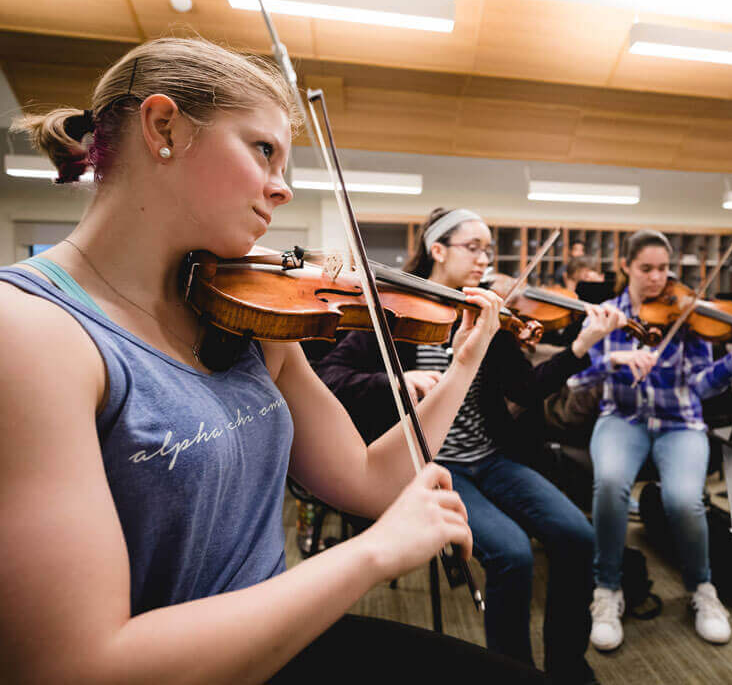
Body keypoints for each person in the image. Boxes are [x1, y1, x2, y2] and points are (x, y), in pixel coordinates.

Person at [0, 37, 549, 685]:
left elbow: (370, 478)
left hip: (284, 638)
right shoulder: (31, 331)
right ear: (163, 126)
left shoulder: (248, 319)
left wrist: (465, 362)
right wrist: (372, 552)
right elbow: (76, 667)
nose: (283, 188)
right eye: (264, 150)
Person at [315, 208, 628, 685]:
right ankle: (514, 672)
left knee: (577, 536)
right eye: (473, 247)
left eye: (489, 249)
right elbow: (332, 376)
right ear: (438, 250)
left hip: (492, 459)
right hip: (434, 466)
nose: (485, 258)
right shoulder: (394, 310)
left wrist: (582, 347)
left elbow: (525, 389)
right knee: (513, 555)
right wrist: (395, 380)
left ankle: (567, 664)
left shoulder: (484, 312)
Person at [570, 230, 732, 651]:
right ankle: (606, 590)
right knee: (608, 485)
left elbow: (702, 385)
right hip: (622, 418)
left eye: (664, 268)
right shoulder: (606, 314)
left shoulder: (691, 315)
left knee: (684, 500)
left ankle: (703, 589)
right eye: (647, 269)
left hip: (679, 422)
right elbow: (576, 378)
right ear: (626, 267)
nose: (658, 278)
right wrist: (614, 358)